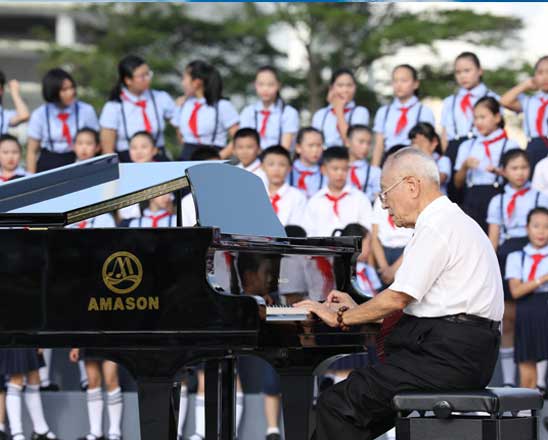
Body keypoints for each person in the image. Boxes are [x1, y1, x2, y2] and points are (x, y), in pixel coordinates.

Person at [295, 147, 503, 440]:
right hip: (462, 352)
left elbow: (397, 298)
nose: (383, 205)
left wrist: (341, 317)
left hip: (446, 357)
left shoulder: (437, 227)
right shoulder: (454, 222)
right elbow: (426, 307)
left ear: (412, 186)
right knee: (359, 413)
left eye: (385, 193)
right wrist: (362, 307)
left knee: (338, 404)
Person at [487, 149, 548, 388]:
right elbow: (493, 238)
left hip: (535, 251)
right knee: (510, 319)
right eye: (514, 168)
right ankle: (511, 380)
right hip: (508, 256)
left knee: (538, 318)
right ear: (503, 171)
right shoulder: (497, 200)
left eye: (524, 167)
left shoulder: (539, 197)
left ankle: (539, 379)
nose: (520, 173)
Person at [454, 97, 519, 232]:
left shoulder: (510, 145)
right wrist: (465, 166)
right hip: (472, 200)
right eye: (476, 118)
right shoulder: (467, 146)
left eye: (483, 117)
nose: (478, 122)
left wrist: (500, 172)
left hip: (498, 196)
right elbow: (457, 183)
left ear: (497, 117)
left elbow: (519, 178)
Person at [440, 51, 499, 203]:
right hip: (454, 149)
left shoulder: (492, 98)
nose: (462, 76)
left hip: (478, 146)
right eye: (458, 72)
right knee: (455, 195)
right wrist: (446, 156)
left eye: (467, 71)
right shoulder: (450, 101)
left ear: (480, 71)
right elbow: (445, 133)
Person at [99, 54, 175, 161]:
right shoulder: (114, 106)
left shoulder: (161, 97)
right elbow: (108, 148)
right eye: (142, 76)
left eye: (148, 74)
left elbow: (179, 123)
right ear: (128, 80)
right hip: (128, 159)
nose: (147, 79)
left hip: (157, 157)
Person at [506, 207, 548, 394]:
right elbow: (516, 291)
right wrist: (543, 279)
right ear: (527, 228)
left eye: (547, 227)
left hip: (544, 308)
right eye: (536, 226)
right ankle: (526, 413)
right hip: (527, 312)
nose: (541, 232)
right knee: (526, 370)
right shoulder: (517, 257)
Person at [27, 68, 99, 173]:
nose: (71, 92)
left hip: (77, 162)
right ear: (53, 92)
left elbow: (95, 142)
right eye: (64, 90)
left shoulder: (86, 110)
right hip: (49, 162)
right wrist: (31, 180)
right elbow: (32, 151)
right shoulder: (40, 114)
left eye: (72, 87)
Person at [172, 60, 239, 160]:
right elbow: (181, 137)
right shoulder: (183, 104)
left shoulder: (222, 105)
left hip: (212, 155)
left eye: (185, 78)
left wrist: (220, 156)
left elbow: (238, 137)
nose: (183, 83)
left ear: (196, 82)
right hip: (186, 157)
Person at [371, 64, 435, 167]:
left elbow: (427, 145)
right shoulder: (384, 112)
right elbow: (378, 146)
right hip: (389, 163)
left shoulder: (424, 111)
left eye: (404, 81)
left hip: (414, 163)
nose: (399, 85)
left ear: (416, 84)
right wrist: (374, 170)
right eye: (395, 81)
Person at [301, 146, 372, 237]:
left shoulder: (360, 199)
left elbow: (367, 230)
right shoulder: (315, 201)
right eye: (335, 169)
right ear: (324, 170)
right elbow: (308, 232)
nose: (340, 174)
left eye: (344, 169)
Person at [500, 55, 548, 171]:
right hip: (533, 146)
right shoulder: (529, 101)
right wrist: (525, 85)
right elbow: (504, 101)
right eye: (540, 73)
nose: (545, 77)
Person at [0, 348, 60, 440]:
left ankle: (40, 430)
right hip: (15, 339)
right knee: (16, 378)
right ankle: (16, 433)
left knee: (34, 379)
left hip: (30, 337)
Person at [239, 65, 299, 150]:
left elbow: (285, 147)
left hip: (279, 159)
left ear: (278, 86)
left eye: (270, 84)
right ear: (255, 85)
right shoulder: (248, 112)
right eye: (261, 84)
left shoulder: (289, 113)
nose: (265, 89)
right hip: (253, 160)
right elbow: (245, 143)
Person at [312, 68, 370, 148]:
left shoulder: (360, 112)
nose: (345, 90)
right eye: (340, 85)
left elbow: (350, 144)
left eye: (349, 85)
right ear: (331, 88)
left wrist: (339, 110)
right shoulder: (320, 115)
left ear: (355, 88)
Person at [261, 145, 306, 227]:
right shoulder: (255, 195)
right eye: (271, 164)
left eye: (282, 165)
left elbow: (296, 230)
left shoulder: (298, 197)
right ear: (263, 167)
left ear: (289, 168)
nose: (276, 169)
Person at [409, 122, 451, 195]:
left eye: (422, 143)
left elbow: (437, 181)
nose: (418, 147)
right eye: (414, 143)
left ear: (434, 142)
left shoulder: (443, 160)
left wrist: (428, 156)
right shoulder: (411, 162)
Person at [346, 125, 381, 203]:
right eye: (361, 142)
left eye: (368, 143)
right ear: (348, 142)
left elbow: (378, 199)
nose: (365, 147)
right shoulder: (340, 169)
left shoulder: (375, 172)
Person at [288, 127, 325, 199]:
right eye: (311, 145)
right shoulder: (288, 171)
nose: (315, 150)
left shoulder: (325, 173)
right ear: (298, 148)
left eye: (319, 145)